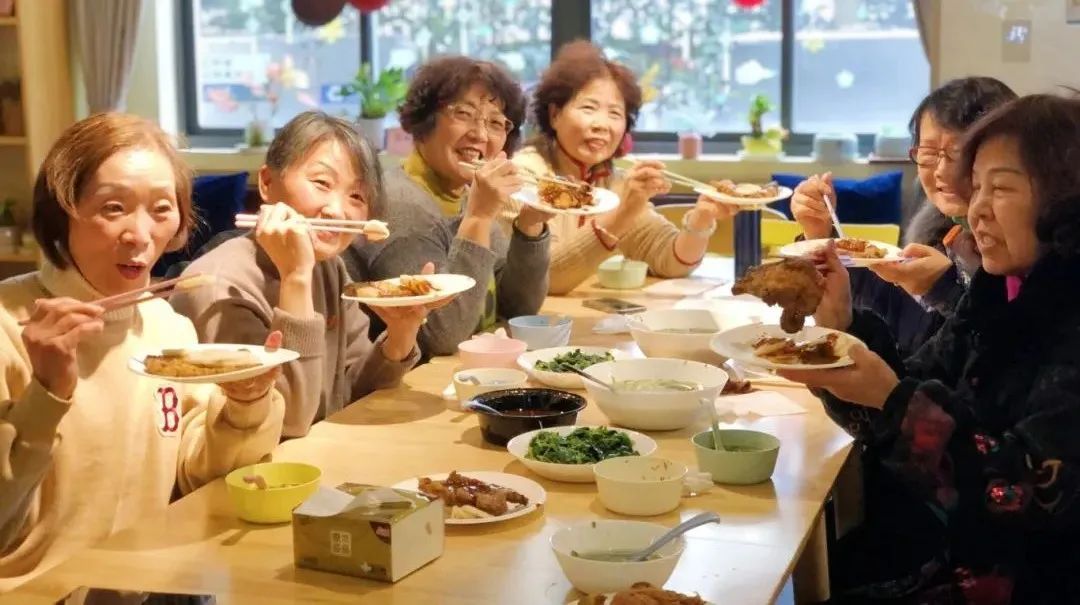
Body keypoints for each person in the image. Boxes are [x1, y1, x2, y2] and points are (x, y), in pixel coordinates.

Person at [782, 94, 1080, 603]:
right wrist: (841, 324)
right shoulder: (997, 291)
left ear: (1065, 203)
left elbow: (1020, 495)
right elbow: (917, 380)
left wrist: (891, 398)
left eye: (1000, 188)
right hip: (947, 554)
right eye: (977, 186)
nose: (977, 209)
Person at [0, 113, 285, 590]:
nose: (140, 234)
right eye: (113, 208)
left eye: (161, 209)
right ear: (61, 212)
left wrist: (245, 405)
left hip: (146, 586)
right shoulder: (10, 325)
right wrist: (46, 393)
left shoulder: (166, 328)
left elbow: (198, 477)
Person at [171, 111, 424, 438]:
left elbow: (353, 391)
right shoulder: (220, 286)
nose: (336, 210)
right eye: (322, 183)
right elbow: (287, 421)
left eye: (356, 196)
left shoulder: (329, 267)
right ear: (267, 183)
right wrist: (296, 278)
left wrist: (401, 334)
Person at [790, 78, 1016, 355]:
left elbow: (1006, 355)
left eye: (958, 153)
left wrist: (944, 290)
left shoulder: (1021, 253)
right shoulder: (939, 232)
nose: (941, 171)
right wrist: (820, 235)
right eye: (929, 153)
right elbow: (897, 317)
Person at [342, 56, 551, 356]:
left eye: (495, 123)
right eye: (464, 113)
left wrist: (530, 226)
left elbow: (518, 307)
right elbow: (439, 337)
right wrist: (479, 218)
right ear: (424, 120)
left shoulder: (465, 195)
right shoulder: (399, 207)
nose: (480, 134)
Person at [506, 41, 737, 295]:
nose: (602, 124)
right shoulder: (523, 177)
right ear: (555, 115)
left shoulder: (612, 182)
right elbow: (544, 278)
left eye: (615, 114)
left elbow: (670, 260)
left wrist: (702, 218)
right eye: (588, 108)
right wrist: (622, 214)